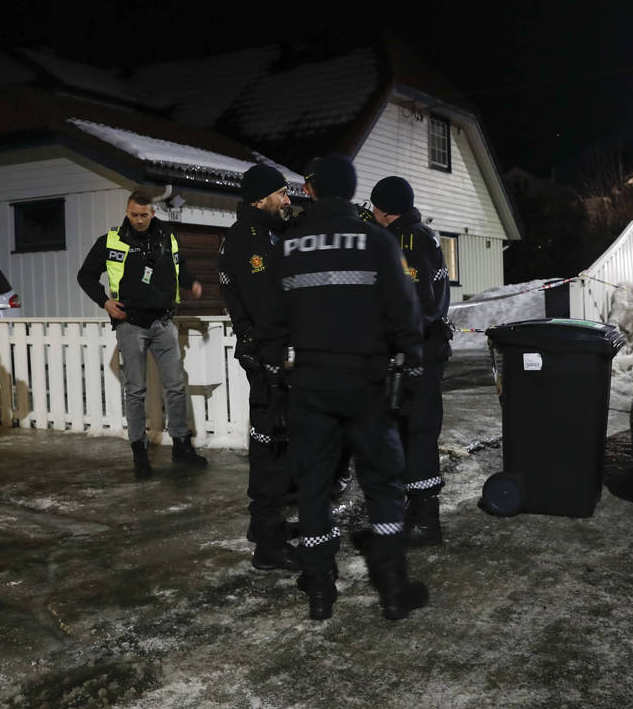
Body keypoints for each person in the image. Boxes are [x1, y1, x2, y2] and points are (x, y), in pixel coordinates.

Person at [257, 154, 429, 621]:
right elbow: (404, 309)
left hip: (310, 383)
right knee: (382, 482)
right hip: (368, 382)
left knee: (313, 485)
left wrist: (273, 378)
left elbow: (270, 322)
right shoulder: (375, 239)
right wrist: (410, 365)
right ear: (351, 191)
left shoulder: (288, 245)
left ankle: (319, 592)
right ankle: (392, 590)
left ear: (312, 191)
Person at [77, 191, 207, 479]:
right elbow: (85, 275)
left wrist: (192, 283)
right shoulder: (110, 241)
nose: (138, 220)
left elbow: (178, 268)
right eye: (133, 215)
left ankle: (182, 446)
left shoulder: (166, 237)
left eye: (144, 215)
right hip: (130, 323)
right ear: (127, 211)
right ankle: (140, 452)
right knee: (135, 390)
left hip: (163, 323)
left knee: (175, 385)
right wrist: (105, 302)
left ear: (152, 212)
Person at [218, 164, 300, 572]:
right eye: (282, 193)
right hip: (269, 358)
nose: (288, 200)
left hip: (273, 355)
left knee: (275, 445)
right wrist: (278, 357)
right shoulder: (246, 240)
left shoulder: (268, 233)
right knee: (270, 448)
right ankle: (268, 546)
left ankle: (263, 526)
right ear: (259, 198)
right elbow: (268, 307)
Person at [369, 176, 453, 546]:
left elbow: (417, 302)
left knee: (417, 432)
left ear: (386, 209)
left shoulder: (408, 239)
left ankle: (425, 523)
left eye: (374, 207)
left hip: (418, 351)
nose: (371, 213)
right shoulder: (422, 233)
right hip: (422, 348)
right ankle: (414, 512)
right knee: (408, 431)